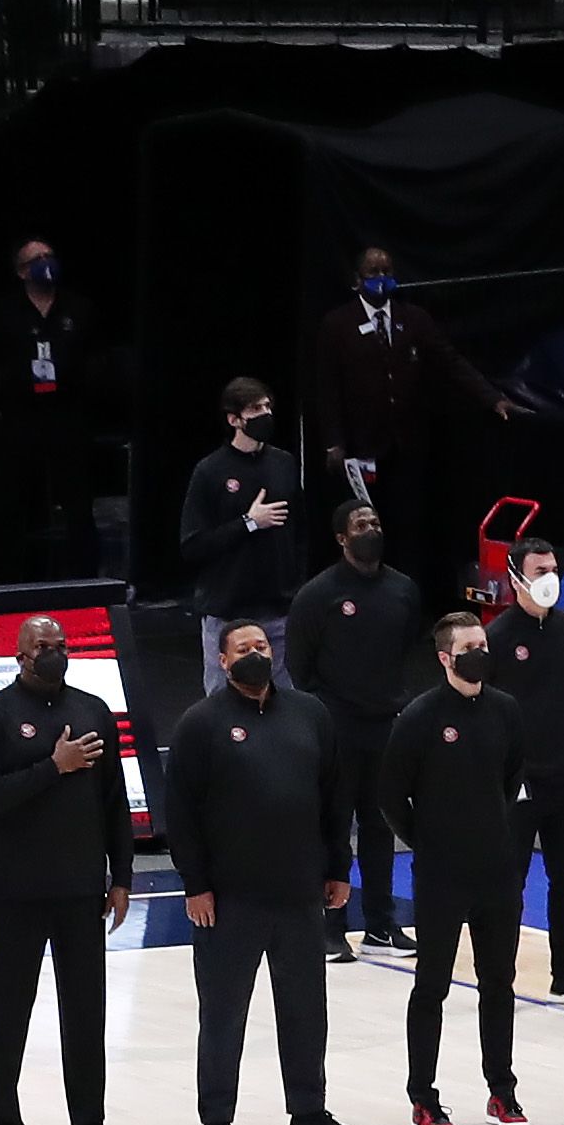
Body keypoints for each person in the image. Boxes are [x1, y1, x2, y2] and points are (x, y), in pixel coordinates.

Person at [0, 615, 133, 1125]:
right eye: (42, 647)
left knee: (86, 1013)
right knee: (9, 1014)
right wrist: (53, 767)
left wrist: (122, 877)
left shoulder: (93, 710)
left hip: (82, 889)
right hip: (16, 891)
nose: (53, 653)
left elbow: (114, 802)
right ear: (20, 654)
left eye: (60, 646)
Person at [387, 611, 529, 1125]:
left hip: (496, 869)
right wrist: (426, 840)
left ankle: (502, 1090)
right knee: (432, 986)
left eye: (483, 643)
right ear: (445, 657)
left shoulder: (506, 711)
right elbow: (390, 794)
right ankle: (423, 1097)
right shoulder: (420, 716)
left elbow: (513, 776)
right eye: (468, 646)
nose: (480, 653)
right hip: (442, 873)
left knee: (500, 983)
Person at [308, 244, 516, 591]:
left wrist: (493, 399)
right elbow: (326, 389)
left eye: (386, 272)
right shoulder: (337, 324)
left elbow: (451, 362)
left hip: (407, 448)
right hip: (361, 449)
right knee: (365, 527)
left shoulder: (414, 318)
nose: (381, 280)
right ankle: (361, 597)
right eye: (373, 274)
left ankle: (407, 599)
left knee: (410, 529)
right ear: (357, 281)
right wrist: (334, 442)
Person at [282, 504, 426, 959]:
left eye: (376, 524)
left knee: (382, 823)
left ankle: (382, 925)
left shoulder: (403, 590)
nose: (371, 531)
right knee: (334, 824)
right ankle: (331, 925)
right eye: (361, 526)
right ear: (342, 538)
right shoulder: (318, 594)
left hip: (385, 722)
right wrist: (326, 711)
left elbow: (405, 646)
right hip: (336, 724)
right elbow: (299, 666)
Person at [478, 542, 564, 1006]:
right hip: (518, 777)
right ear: (516, 578)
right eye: (540, 570)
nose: (550, 576)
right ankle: (498, 974)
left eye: (554, 568)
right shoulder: (498, 635)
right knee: (509, 881)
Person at [0, 237, 102, 581]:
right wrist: (13, 390)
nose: (45, 263)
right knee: (12, 502)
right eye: (36, 259)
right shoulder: (3, 312)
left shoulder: (78, 308)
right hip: (21, 417)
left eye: (49, 256)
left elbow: (96, 359)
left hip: (68, 415)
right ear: (21, 271)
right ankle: (12, 580)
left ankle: (84, 578)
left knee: (78, 502)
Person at [176, 377, 303, 627]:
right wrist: (249, 523)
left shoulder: (284, 463)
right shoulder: (209, 470)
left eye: (267, 407)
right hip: (227, 610)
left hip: (279, 609)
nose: (265, 414)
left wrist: (296, 586)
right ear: (234, 420)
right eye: (255, 409)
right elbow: (193, 545)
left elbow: (300, 532)